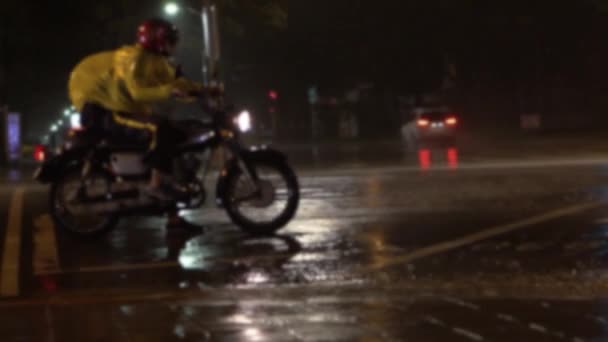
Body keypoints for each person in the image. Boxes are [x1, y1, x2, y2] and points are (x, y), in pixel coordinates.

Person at [68, 18, 218, 232]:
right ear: (156, 40)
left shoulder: (158, 60)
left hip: (124, 107)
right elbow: (137, 91)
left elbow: (178, 83)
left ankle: (173, 219)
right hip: (106, 110)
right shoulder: (134, 58)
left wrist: (203, 90)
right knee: (158, 128)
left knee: (174, 137)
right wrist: (169, 91)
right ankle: (155, 184)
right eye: (169, 41)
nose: (172, 46)